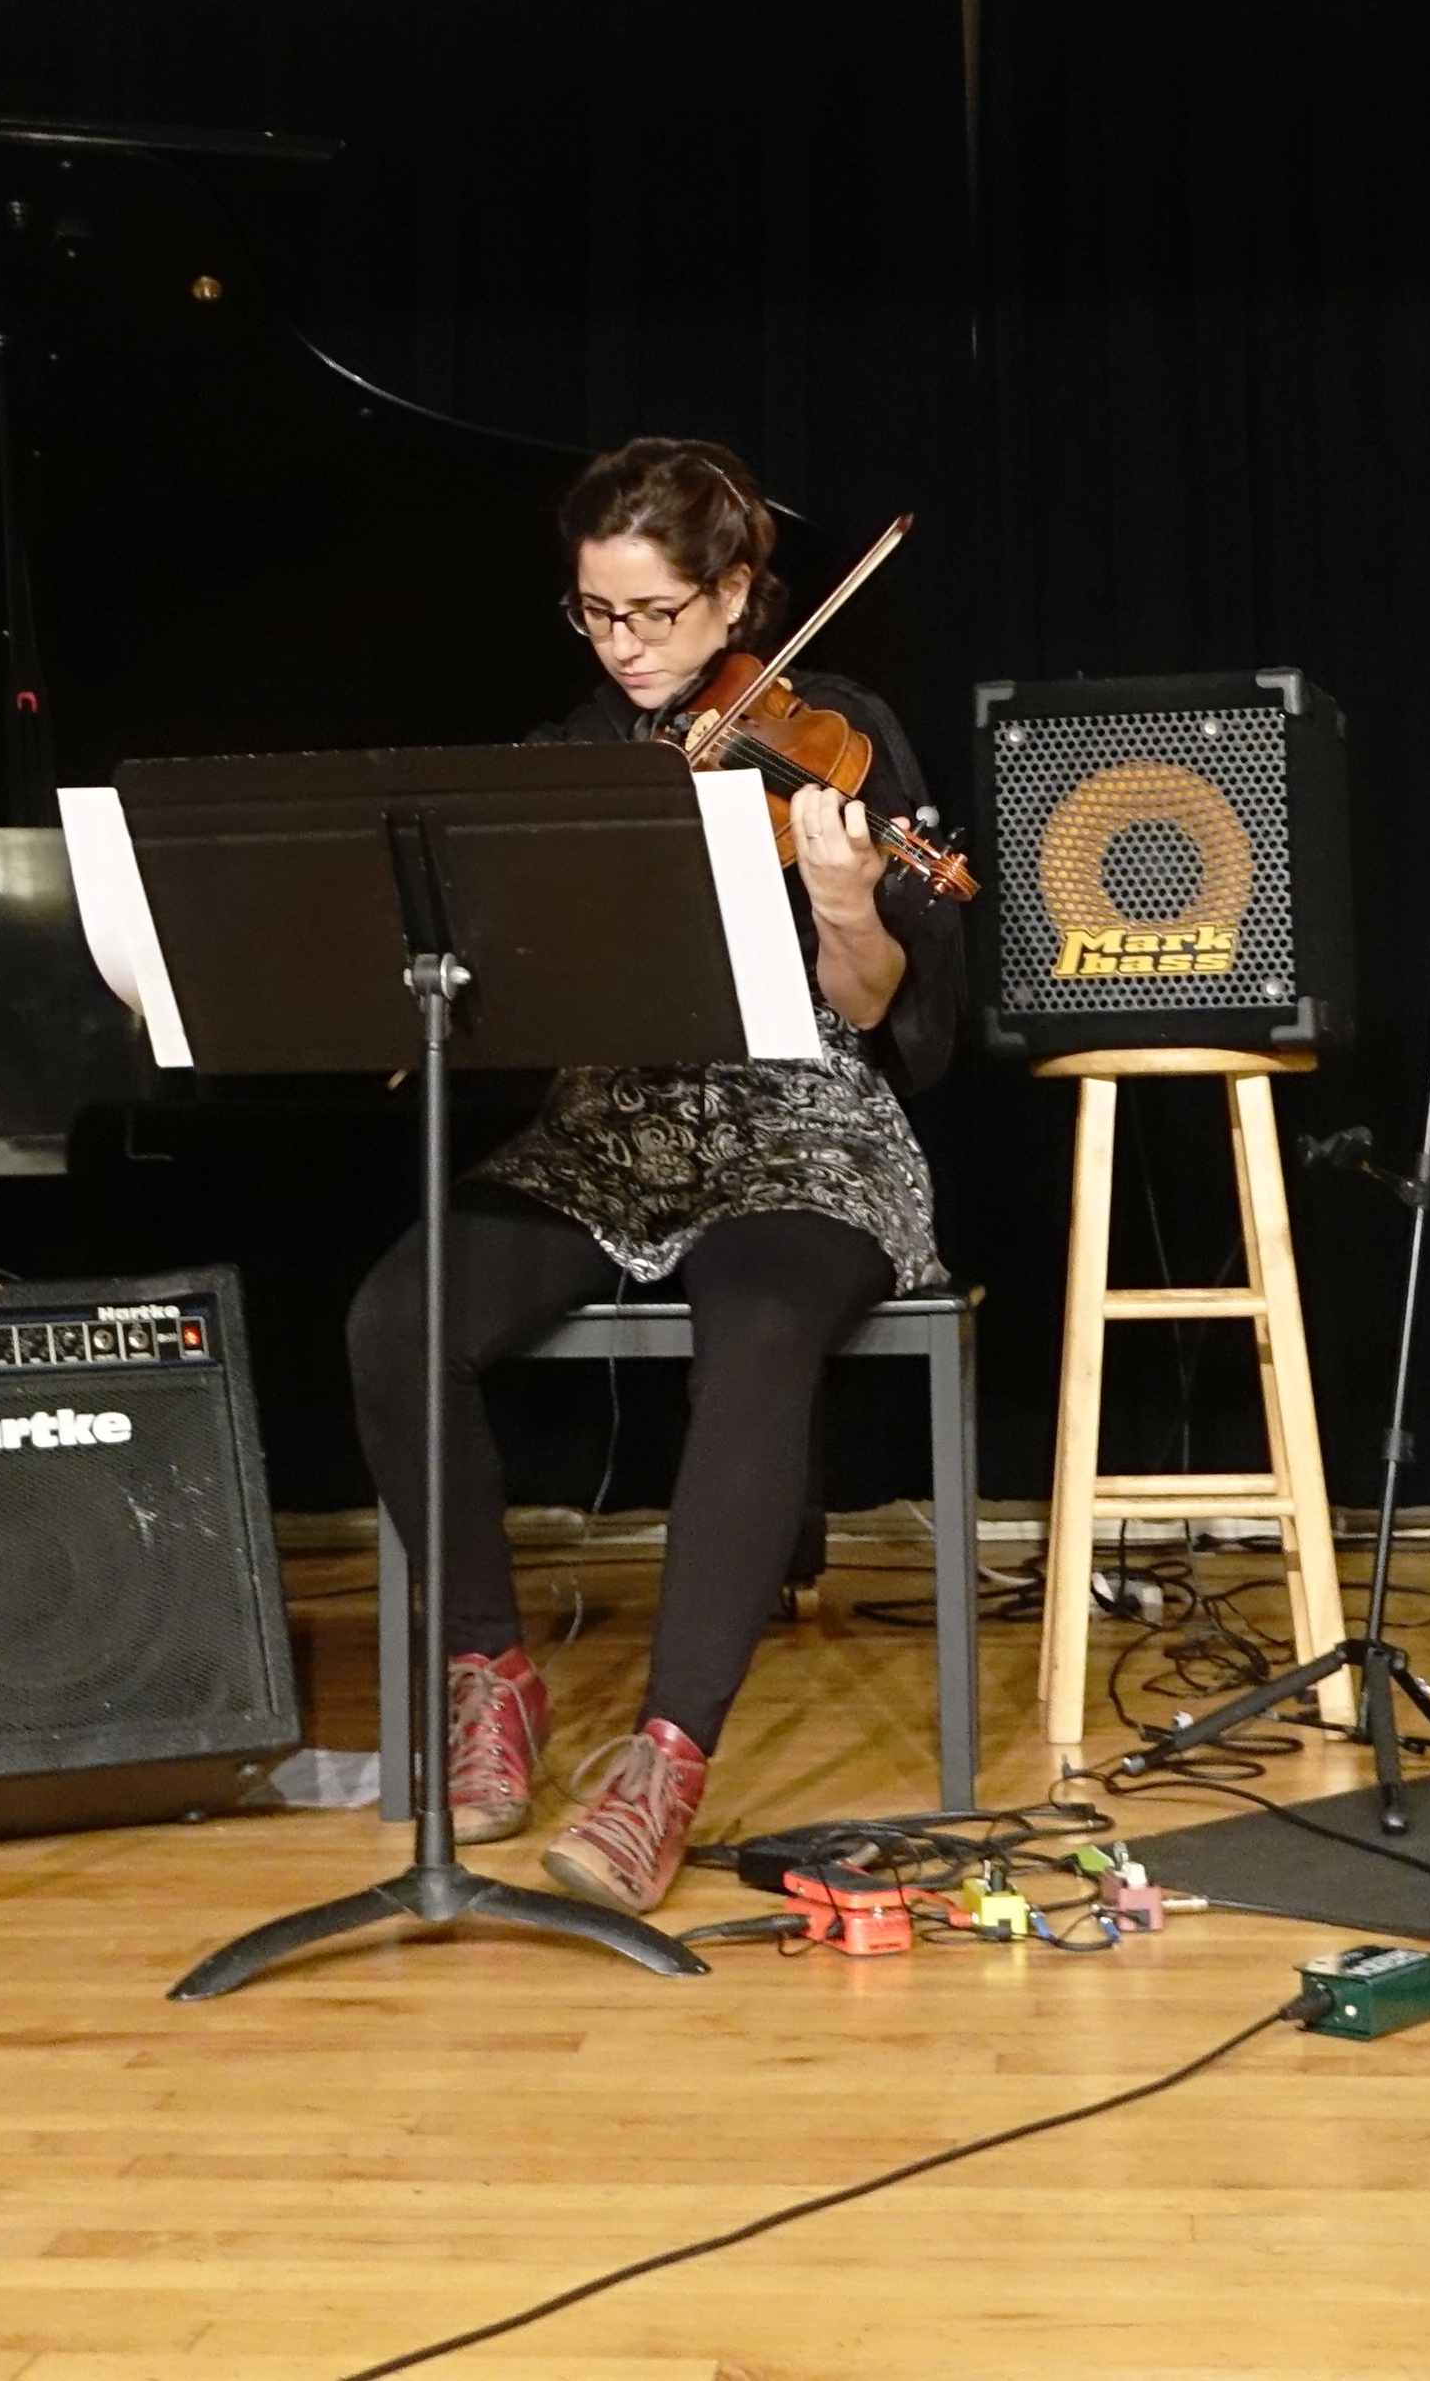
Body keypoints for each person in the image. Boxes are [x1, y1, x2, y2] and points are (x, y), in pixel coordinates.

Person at [342, 438, 962, 1914]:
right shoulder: (568, 766)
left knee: (752, 1336)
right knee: (393, 1318)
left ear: (734, 592)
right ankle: (491, 1674)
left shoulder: (838, 734)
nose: (626, 647)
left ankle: (666, 1762)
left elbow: (883, 1010)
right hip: (609, 1127)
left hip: (801, 1121)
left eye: (657, 615)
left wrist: (837, 903)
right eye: (597, 614)